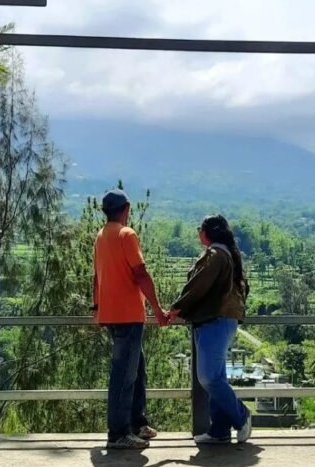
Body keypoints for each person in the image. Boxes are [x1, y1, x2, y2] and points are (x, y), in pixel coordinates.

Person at [92, 189, 168, 450]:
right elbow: (141, 273)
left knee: (136, 370)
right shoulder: (127, 234)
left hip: (111, 314)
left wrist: (96, 306)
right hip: (128, 315)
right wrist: (158, 309)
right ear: (126, 208)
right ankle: (118, 433)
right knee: (124, 375)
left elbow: (96, 275)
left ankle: (137, 424)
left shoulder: (101, 236)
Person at [168, 214, 252, 444]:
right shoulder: (227, 253)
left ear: (206, 233)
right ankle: (219, 430)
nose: (197, 233)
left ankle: (241, 415)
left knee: (208, 378)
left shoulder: (215, 255)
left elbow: (198, 285)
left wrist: (177, 307)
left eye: (199, 229)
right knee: (216, 377)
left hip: (214, 321)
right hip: (222, 321)